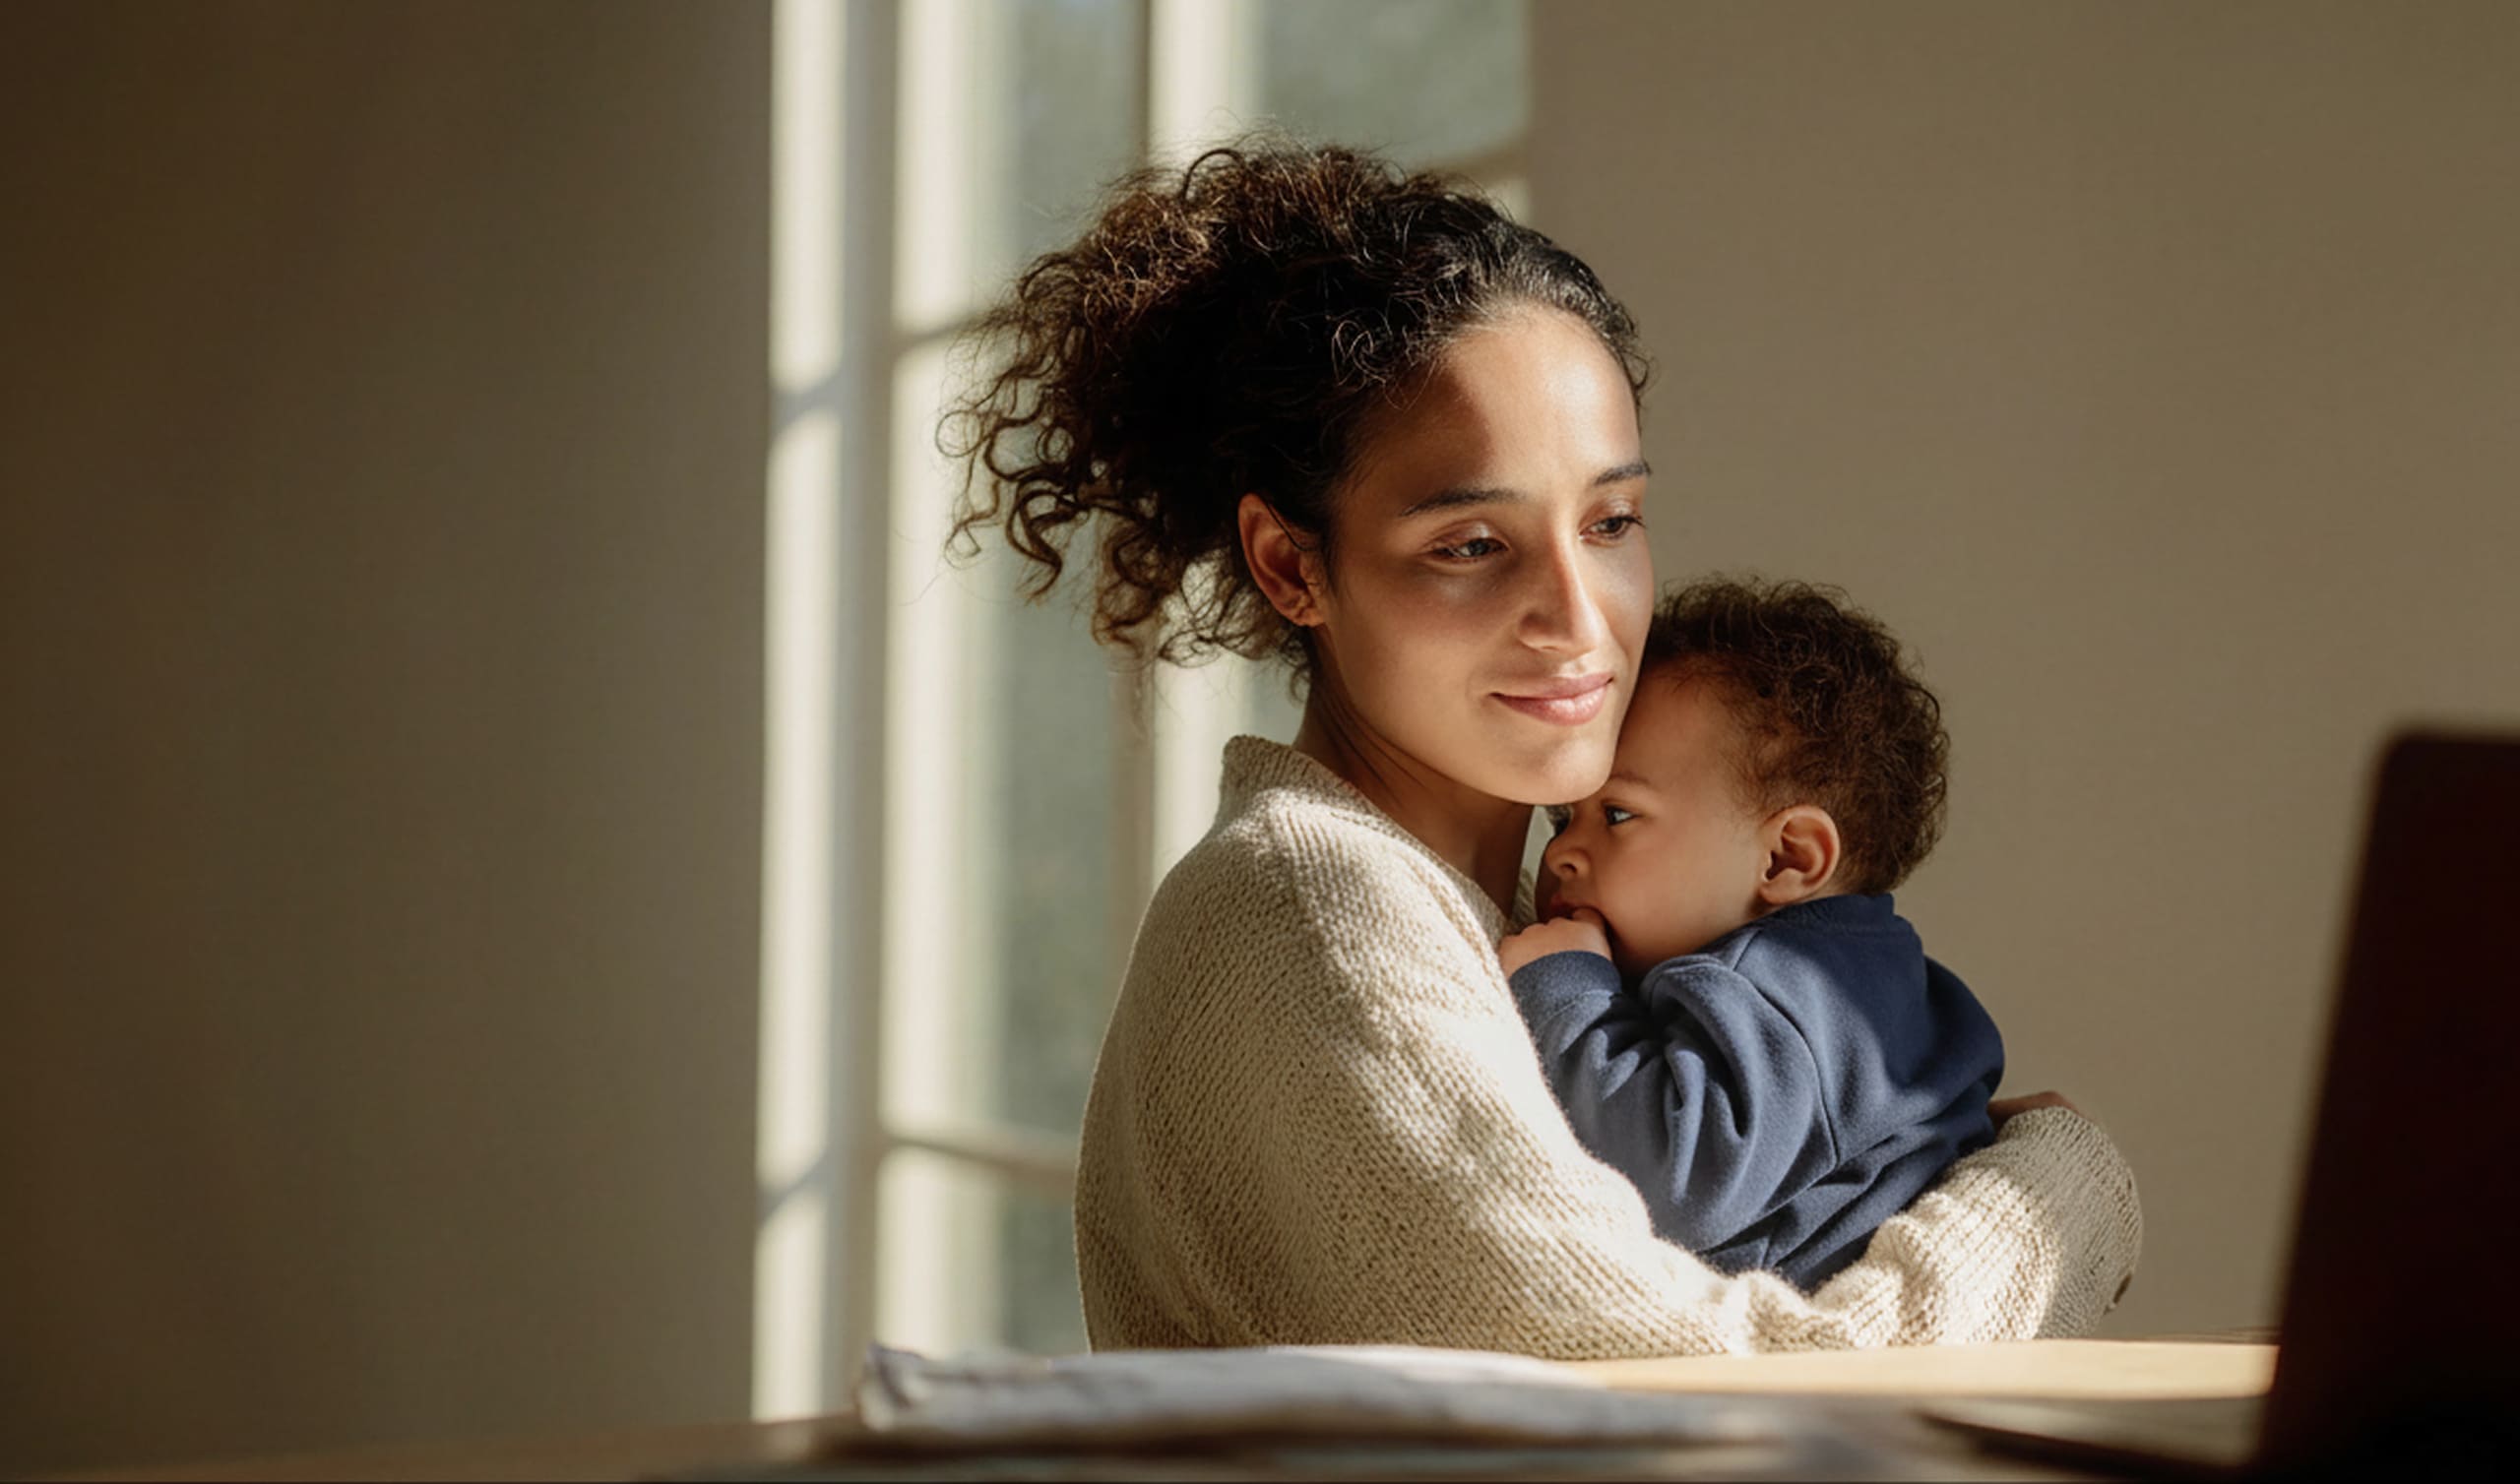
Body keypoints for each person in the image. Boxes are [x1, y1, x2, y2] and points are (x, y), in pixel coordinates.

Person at [944, 141, 2140, 1356]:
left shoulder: (1521, 905)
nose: (1581, 619)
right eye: (1470, 543)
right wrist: (2057, 1190)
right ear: (1292, 565)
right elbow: (1693, 1397)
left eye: (1610, 520)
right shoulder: (1319, 903)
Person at [1499, 578, 2005, 1290]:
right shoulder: (1870, 979)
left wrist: (1567, 995)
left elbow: (1676, 1185)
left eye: (1616, 816)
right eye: (1562, 819)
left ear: (1788, 857)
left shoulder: (1786, 989)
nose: (1561, 855)